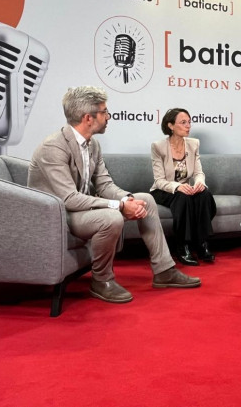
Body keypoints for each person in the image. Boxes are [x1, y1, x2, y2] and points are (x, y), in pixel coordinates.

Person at [28, 86, 201, 304]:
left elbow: (104, 183)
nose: (109, 117)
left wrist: (127, 199)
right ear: (88, 118)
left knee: (145, 199)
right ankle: (102, 280)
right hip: (59, 216)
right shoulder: (53, 147)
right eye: (104, 112)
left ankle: (164, 270)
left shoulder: (93, 144)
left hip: (80, 210)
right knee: (111, 217)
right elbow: (69, 199)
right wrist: (119, 206)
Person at [150, 108, 217, 266]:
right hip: (163, 190)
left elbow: (199, 173)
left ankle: (202, 243)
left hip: (185, 189)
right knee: (182, 197)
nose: (188, 126)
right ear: (171, 126)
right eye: (183, 122)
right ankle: (183, 246)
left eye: (189, 122)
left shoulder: (193, 144)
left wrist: (199, 183)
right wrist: (177, 187)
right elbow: (159, 180)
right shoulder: (158, 146)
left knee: (204, 194)